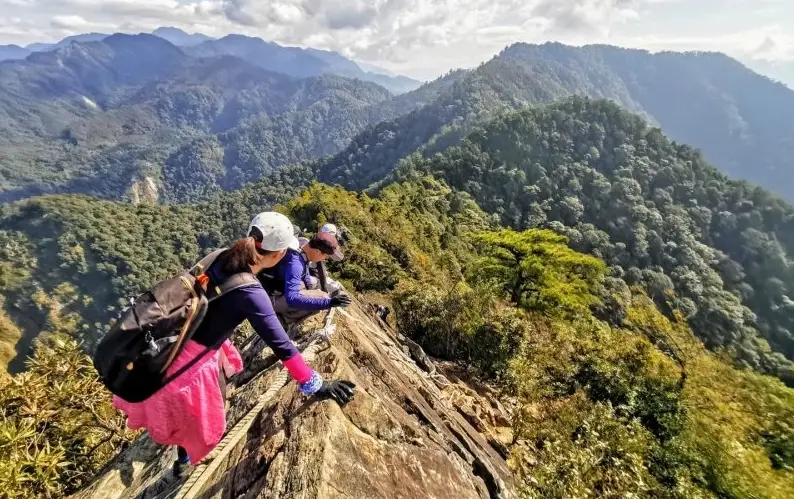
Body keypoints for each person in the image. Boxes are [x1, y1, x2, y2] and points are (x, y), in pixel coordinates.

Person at [112, 212, 356, 479]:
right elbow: (282, 345)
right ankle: (185, 462)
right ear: (278, 255)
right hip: (190, 363)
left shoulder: (220, 255)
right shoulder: (251, 293)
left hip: (168, 344)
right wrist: (316, 385)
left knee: (188, 414)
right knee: (198, 420)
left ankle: (183, 459)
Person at [265, 230, 352, 328]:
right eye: (325, 256)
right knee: (321, 299)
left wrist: (311, 289)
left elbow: (305, 271)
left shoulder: (302, 247)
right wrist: (329, 302)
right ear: (318, 251)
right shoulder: (296, 264)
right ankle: (284, 320)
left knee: (315, 284)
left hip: (277, 287)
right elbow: (292, 299)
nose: (324, 259)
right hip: (268, 300)